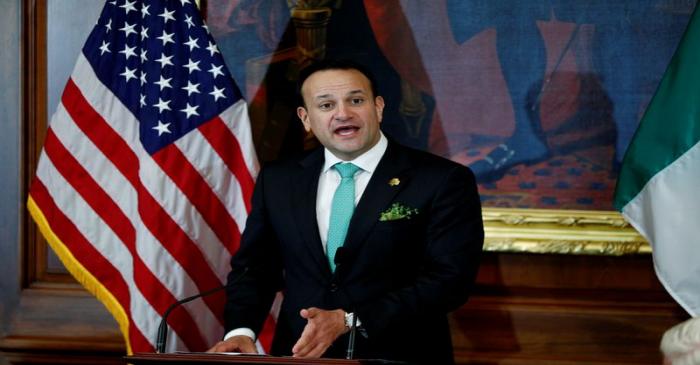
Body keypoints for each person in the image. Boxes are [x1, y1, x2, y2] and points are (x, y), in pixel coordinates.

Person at [207, 59, 484, 363]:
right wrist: (240, 332)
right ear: (306, 118)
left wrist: (351, 320)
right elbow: (255, 268)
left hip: (399, 354)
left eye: (356, 100)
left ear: (378, 107)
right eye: (326, 105)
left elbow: (450, 280)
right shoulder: (279, 179)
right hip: (300, 355)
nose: (343, 113)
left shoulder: (441, 179)